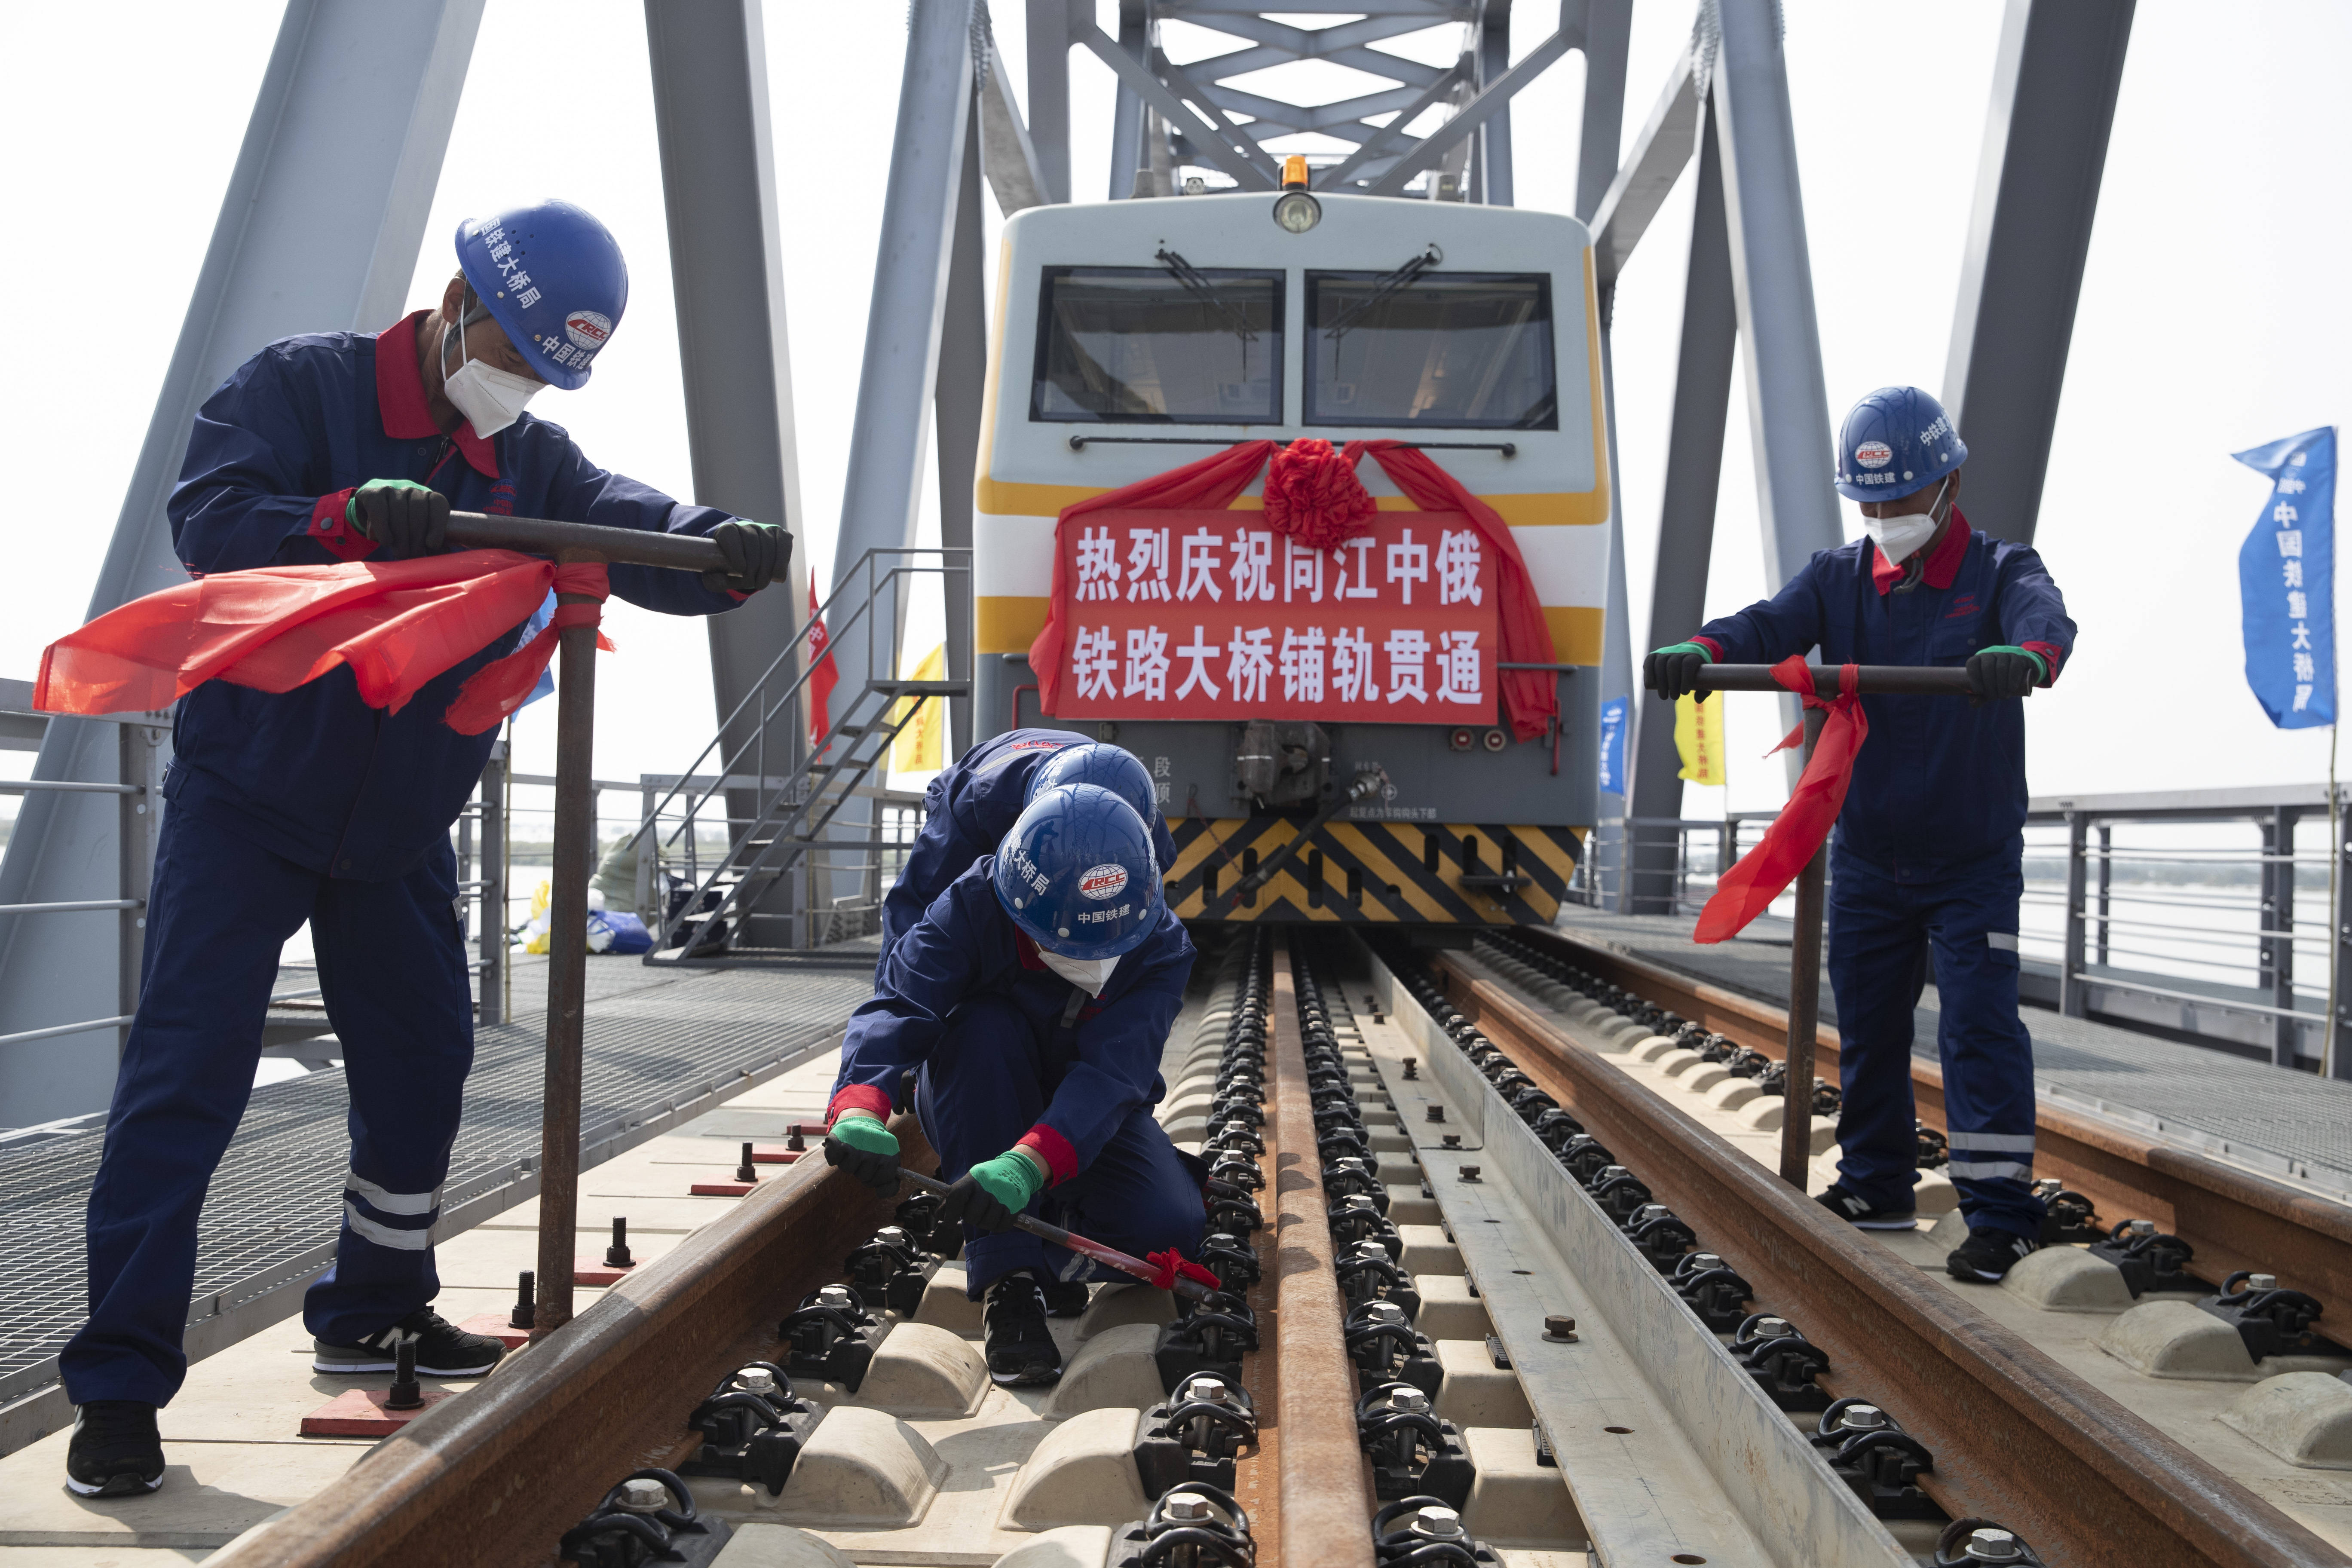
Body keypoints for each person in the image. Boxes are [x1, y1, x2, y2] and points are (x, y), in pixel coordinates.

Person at [62, 200, 793, 1498]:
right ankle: (119, 1382)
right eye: (509, 355)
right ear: (456, 308)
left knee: (422, 1060)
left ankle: (375, 1302)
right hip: (251, 797)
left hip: (396, 820)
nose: (515, 387)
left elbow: (630, 525)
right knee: (185, 1082)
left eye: (541, 374)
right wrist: (343, 515)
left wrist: (719, 551)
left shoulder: (534, 463)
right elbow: (216, 517)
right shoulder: (299, 388)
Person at [1644, 385, 2073, 1284]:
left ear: (1947, 484)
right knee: (1871, 1028)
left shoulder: (2000, 572)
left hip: (1971, 857)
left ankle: (2001, 1214)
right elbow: (1770, 625)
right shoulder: (1838, 579)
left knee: (1978, 1027)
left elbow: (2047, 622)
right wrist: (1707, 652)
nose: (1885, 518)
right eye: (1869, 504)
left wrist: (2027, 659)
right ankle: (1878, 1184)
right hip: (1873, 854)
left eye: (1900, 501)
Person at [824, 784, 1201, 1385]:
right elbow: (901, 1003)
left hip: (1081, 1104)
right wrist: (861, 1104)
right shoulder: (974, 902)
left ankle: (1040, 1230)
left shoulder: (1158, 944)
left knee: (1167, 1232)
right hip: (983, 1083)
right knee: (979, 1028)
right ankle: (1010, 1283)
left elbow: (1114, 1074)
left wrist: (1030, 1164)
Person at [880, 731, 1178, 962]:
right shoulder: (983, 802)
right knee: (965, 915)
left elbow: (1144, 901)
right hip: (975, 789)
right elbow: (917, 899)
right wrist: (898, 986)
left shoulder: (1142, 824)